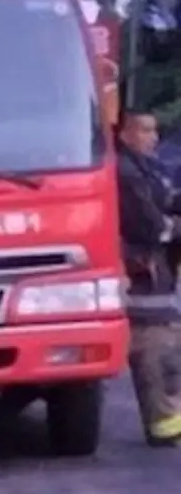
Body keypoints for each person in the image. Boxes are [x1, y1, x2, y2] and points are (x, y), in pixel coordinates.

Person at [117, 109, 181, 446]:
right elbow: (152, 227)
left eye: (154, 131)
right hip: (144, 275)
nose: (153, 138)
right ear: (125, 133)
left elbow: (165, 200)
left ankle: (167, 423)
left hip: (153, 273)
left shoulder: (146, 167)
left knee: (163, 352)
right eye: (144, 131)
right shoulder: (126, 172)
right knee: (158, 352)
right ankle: (165, 427)